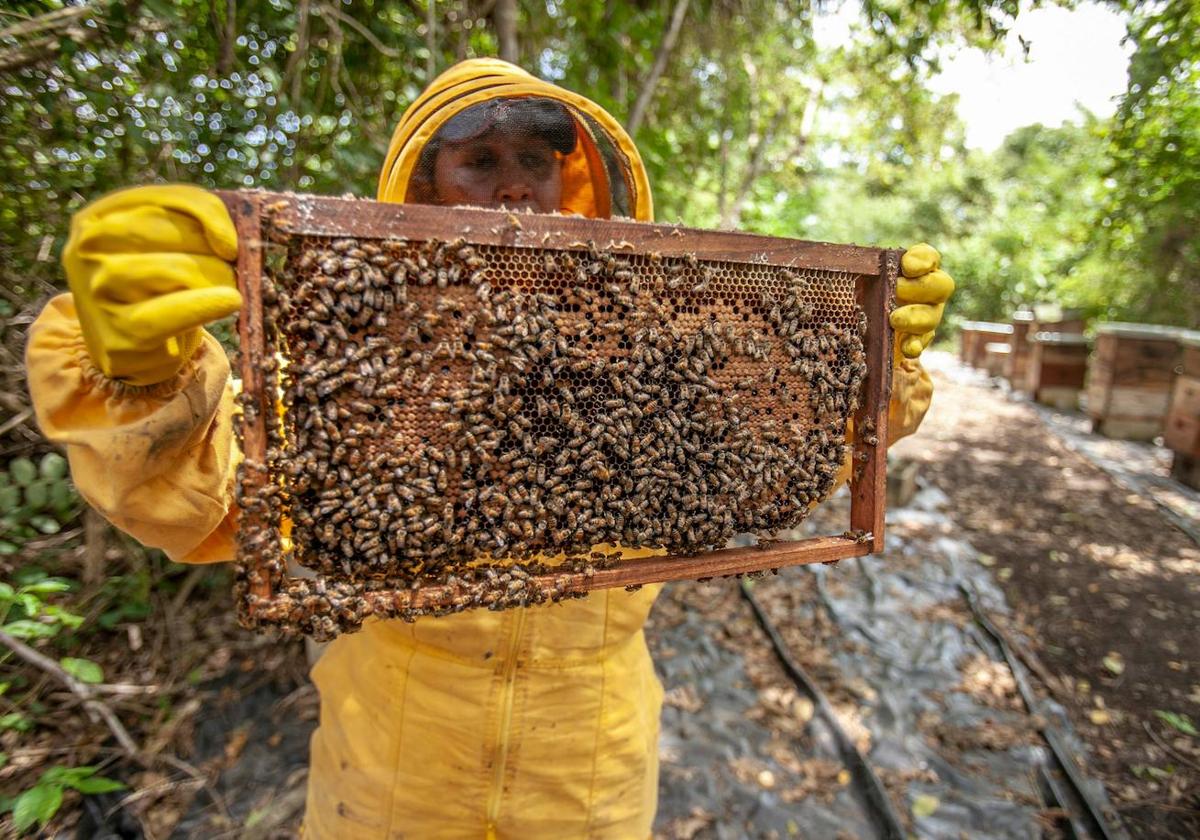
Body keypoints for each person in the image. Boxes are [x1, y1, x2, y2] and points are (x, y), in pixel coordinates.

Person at [26, 58, 952, 838]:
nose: (514, 188)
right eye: (478, 162)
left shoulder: (662, 337)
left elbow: (772, 462)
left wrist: (868, 369)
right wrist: (141, 378)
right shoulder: (363, 354)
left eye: (534, 163)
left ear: (573, 181)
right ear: (423, 183)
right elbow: (212, 501)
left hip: (591, 758)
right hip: (390, 754)